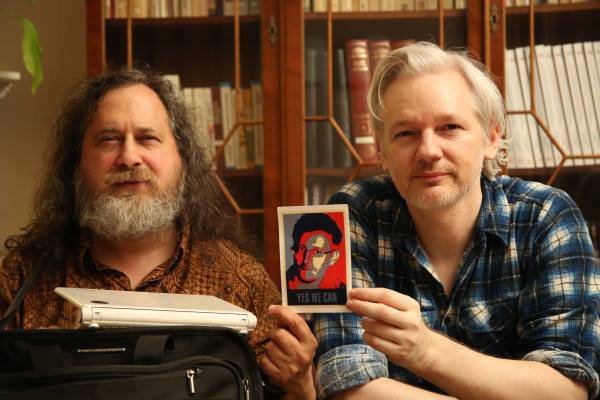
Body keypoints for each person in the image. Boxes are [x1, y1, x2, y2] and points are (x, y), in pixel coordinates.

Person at [0, 68, 317, 400]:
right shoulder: (20, 281)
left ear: (182, 160)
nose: (129, 157)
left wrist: (302, 387)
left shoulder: (241, 281)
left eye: (147, 138)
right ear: (76, 163)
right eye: (109, 139)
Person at [312, 42, 600, 400]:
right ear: (381, 151)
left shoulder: (546, 216)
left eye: (449, 127)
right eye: (406, 133)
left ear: (491, 138)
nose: (428, 151)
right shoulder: (351, 214)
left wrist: (425, 350)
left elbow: (565, 390)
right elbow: (347, 385)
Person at [286, 213, 344, 290]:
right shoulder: (279, 284)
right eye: (301, 249)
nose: (305, 260)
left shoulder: (342, 292)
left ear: (334, 257)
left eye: (317, 252)